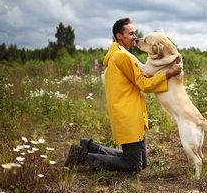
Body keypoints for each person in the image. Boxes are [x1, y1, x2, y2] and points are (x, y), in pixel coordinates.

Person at [65, 18, 182, 173]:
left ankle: (90, 146)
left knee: (141, 163)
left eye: (134, 33)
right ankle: (82, 157)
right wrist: (169, 73)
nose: (135, 36)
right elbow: (144, 84)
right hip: (128, 114)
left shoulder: (120, 54)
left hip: (130, 111)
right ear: (119, 36)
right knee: (133, 165)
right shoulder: (122, 56)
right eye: (131, 33)